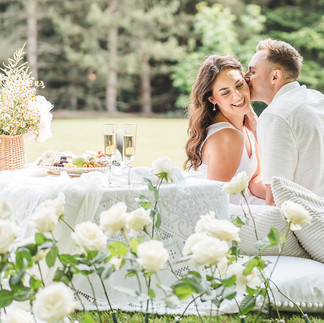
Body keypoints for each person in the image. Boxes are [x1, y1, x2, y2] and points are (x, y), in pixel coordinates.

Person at [245, 38, 324, 205]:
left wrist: (252, 184)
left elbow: (276, 199)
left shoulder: (276, 115)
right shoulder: (316, 98)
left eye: (252, 72)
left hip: (309, 223)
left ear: (275, 76)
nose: (246, 78)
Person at [185, 55, 266, 205]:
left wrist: (283, 196)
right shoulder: (227, 137)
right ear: (213, 99)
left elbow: (254, 181)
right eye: (225, 92)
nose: (237, 95)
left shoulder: (246, 128)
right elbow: (216, 203)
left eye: (239, 84)